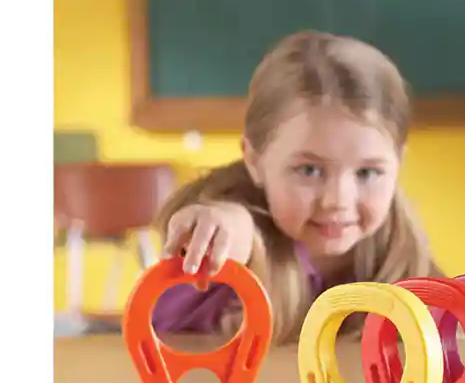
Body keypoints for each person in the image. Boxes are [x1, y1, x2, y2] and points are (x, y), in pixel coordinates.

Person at [152, 30, 441, 344]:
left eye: (367, 172)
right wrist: (223, 238)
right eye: (309, 170)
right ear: (254, 160)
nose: (337, 200)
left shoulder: (411, 272)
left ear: (398, 163)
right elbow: (161, 335)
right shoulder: (226, 261)